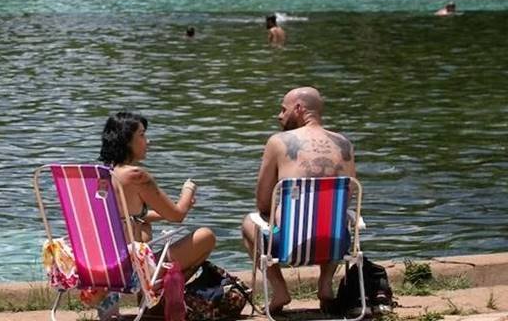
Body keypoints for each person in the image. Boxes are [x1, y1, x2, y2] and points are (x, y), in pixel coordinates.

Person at [240, 87, 356, 315]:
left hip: (288, 244)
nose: (279, 116)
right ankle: (325, 286)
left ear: (299, 108)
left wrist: (280, 213)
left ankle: (280, 290)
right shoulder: (344, 144)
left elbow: (263, 203)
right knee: (334, 215)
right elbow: (348, 198)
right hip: (336, 243)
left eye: (283, 110)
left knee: (249, 223)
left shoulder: (278, 142)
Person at [101, 112, 216, 274]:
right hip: (129, 270)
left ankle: (157, 293)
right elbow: (177, 216)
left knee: (144, 225)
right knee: (206, 237)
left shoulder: (100, 175)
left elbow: (126, 216)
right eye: (142, 135)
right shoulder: (135, 175)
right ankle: (160, 295)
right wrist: (188, 190)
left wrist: (165, 212)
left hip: (98, 263)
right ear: (126, 141)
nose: (148, 141)